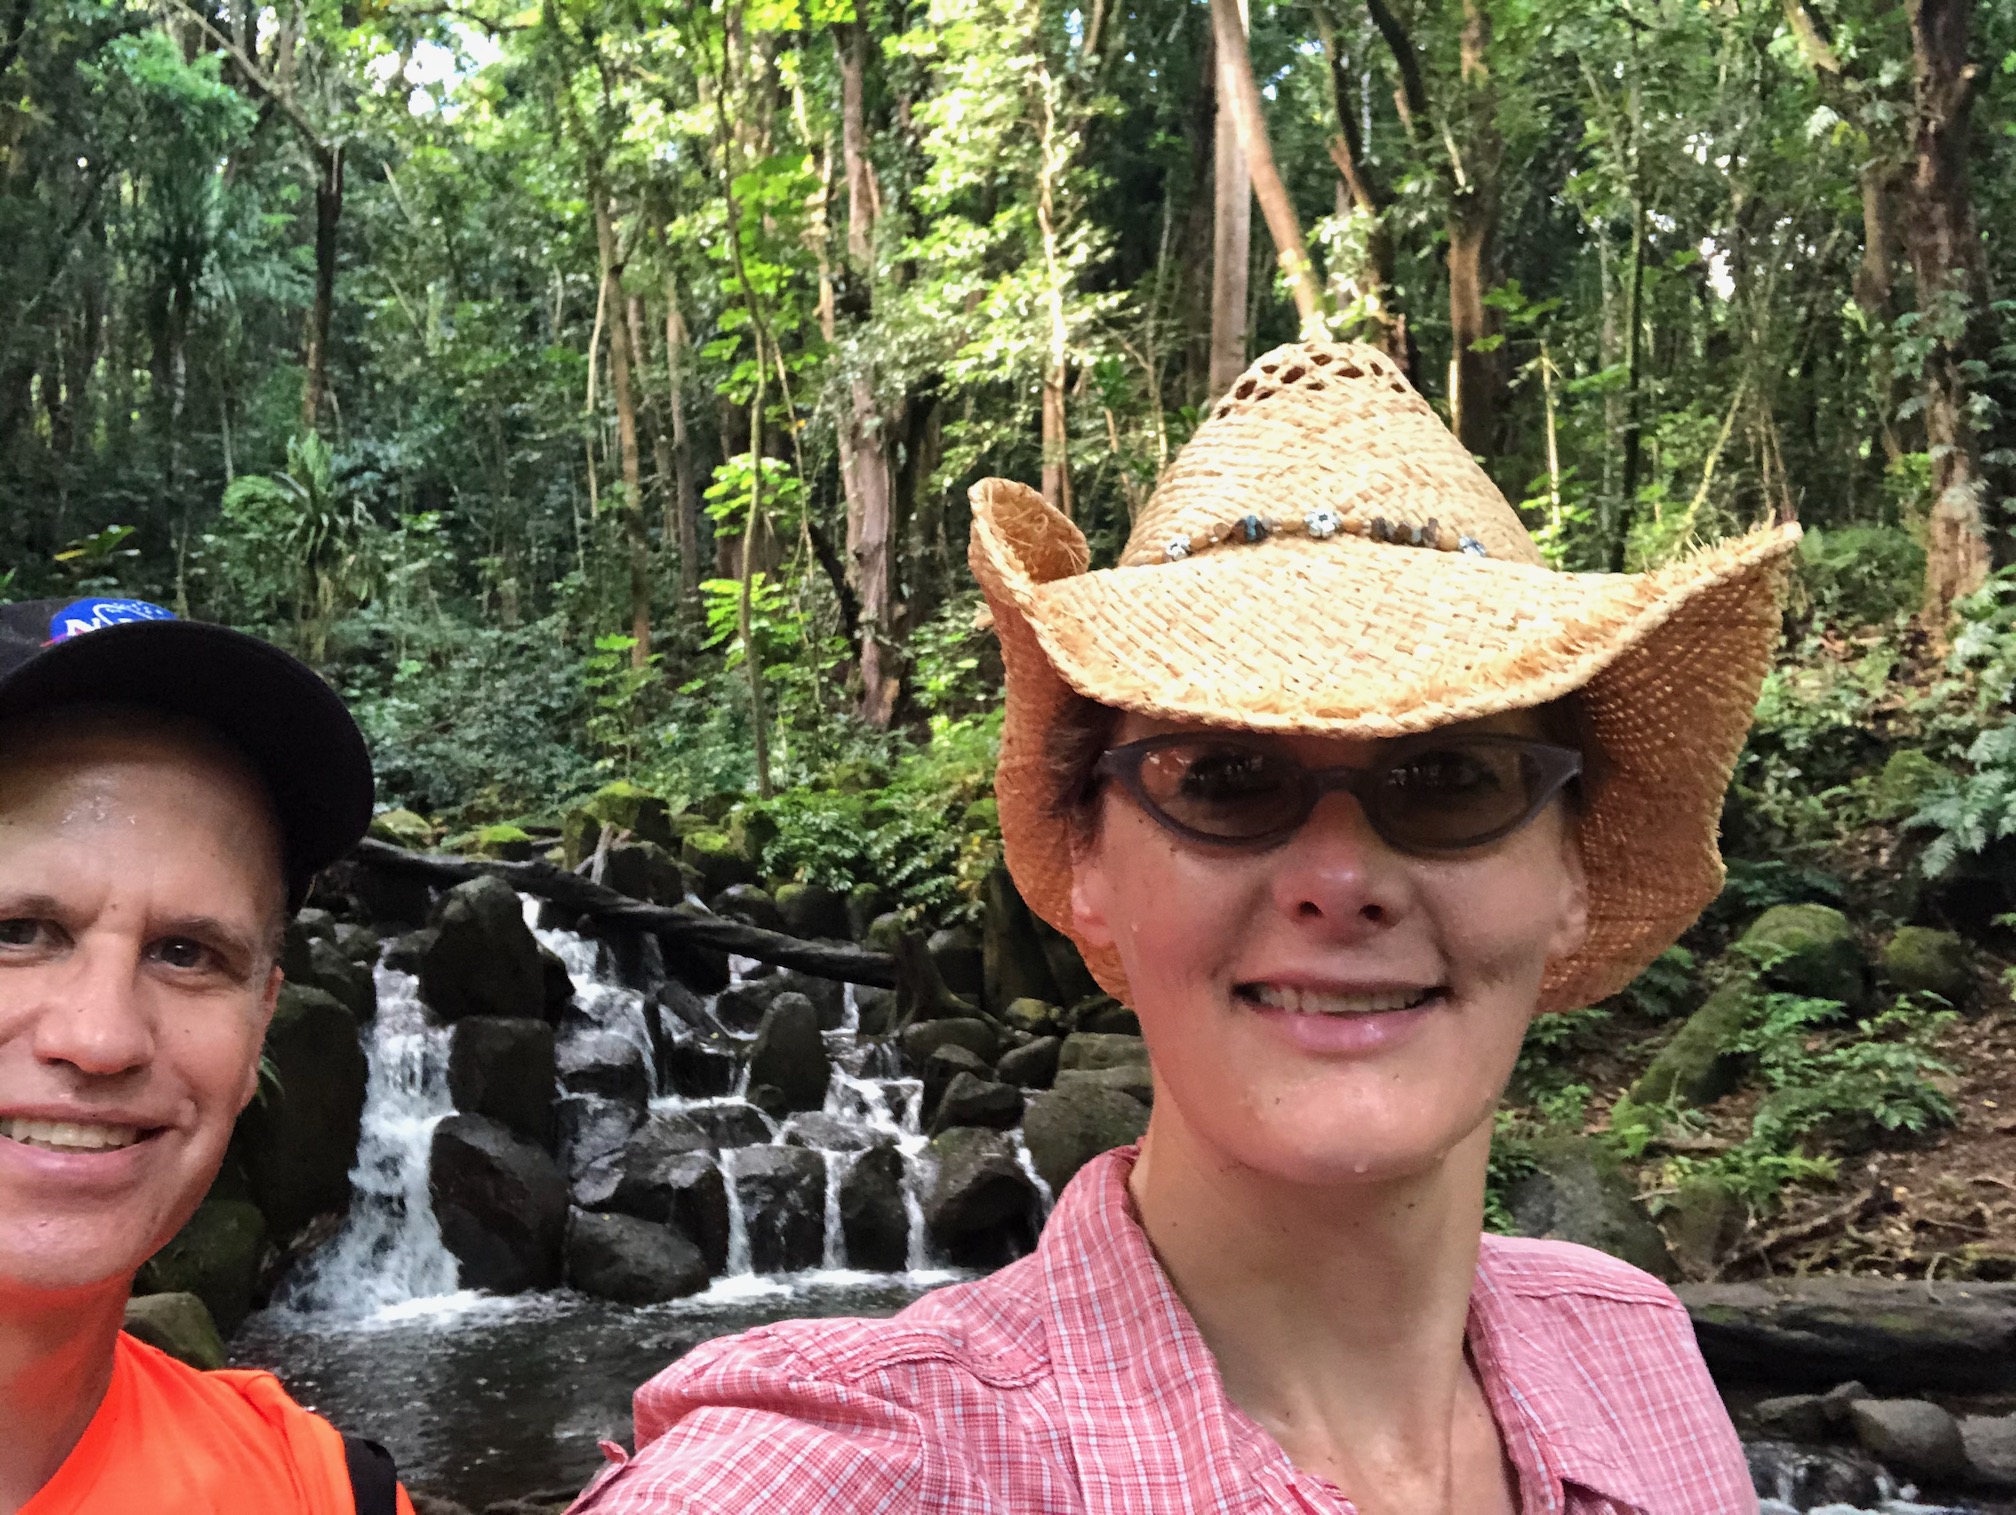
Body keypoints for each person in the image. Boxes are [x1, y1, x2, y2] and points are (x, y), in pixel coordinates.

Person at [568, 343, 1796, 1515]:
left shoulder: (1637, 1356)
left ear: (1572, 871)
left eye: (1450, 777)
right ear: (1088, 861)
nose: (1340, 877)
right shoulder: (834, 1473)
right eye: (1223, 776)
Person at [0, 596, 412, 1515]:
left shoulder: (324, 1493)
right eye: (19, 930)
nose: (101, 1037)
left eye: (187, 953)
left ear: (262, 1015)